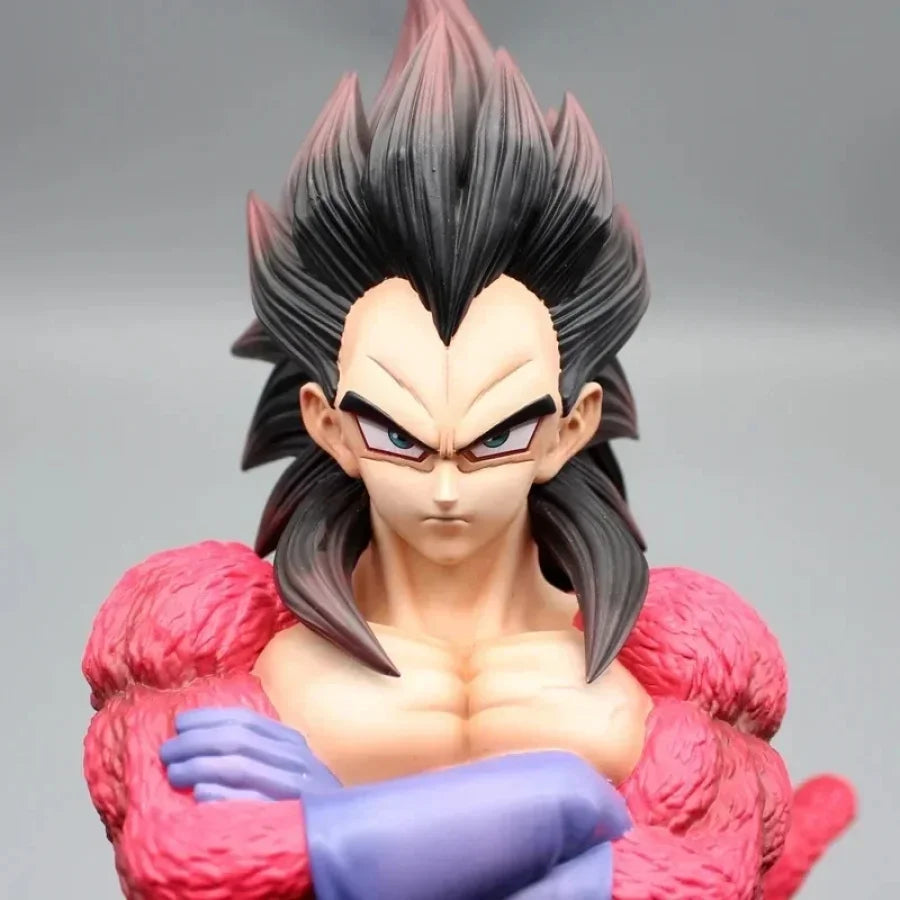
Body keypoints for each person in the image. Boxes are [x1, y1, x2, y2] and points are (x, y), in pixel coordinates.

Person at [82, 2, 856, 897]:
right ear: (327, 423)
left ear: (571, 427)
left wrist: (339, 821)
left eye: (495, 437)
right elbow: (179, 860)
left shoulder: (677, 658)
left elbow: (698, 877)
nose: (446, 488)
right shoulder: (213, 635)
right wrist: (558, 809)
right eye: (399, 437)